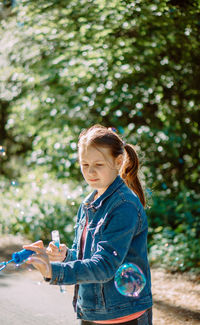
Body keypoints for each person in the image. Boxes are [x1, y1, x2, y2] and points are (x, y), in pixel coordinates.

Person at [24, 124, 153, 325]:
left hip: (123, 315)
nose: (90, 172)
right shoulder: (88, 203)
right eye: (84, 165)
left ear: (118, 161)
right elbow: (87, 258)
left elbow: (104, 266)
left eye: (98, 164)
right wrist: (66, 256)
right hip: (92, 313)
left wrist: (53, 271)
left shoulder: (124, 206)